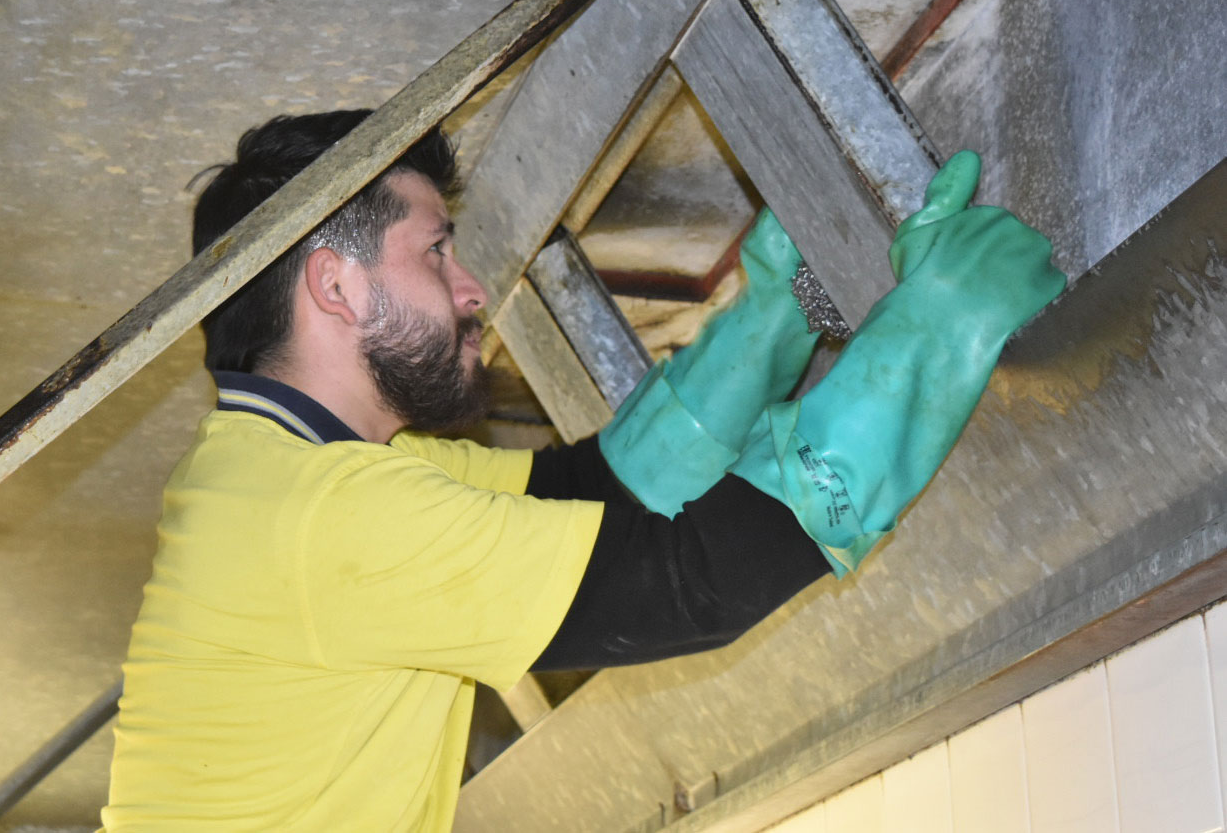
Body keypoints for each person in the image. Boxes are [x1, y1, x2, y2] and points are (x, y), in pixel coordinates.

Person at [103, 110, 1064, 832]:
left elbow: (598, 493)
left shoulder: (285, 473)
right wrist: (942, 324)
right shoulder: (325, 515)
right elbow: (689, 582)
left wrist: (787, 311)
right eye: (436, 250)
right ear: (336, 285)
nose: (472, 287)